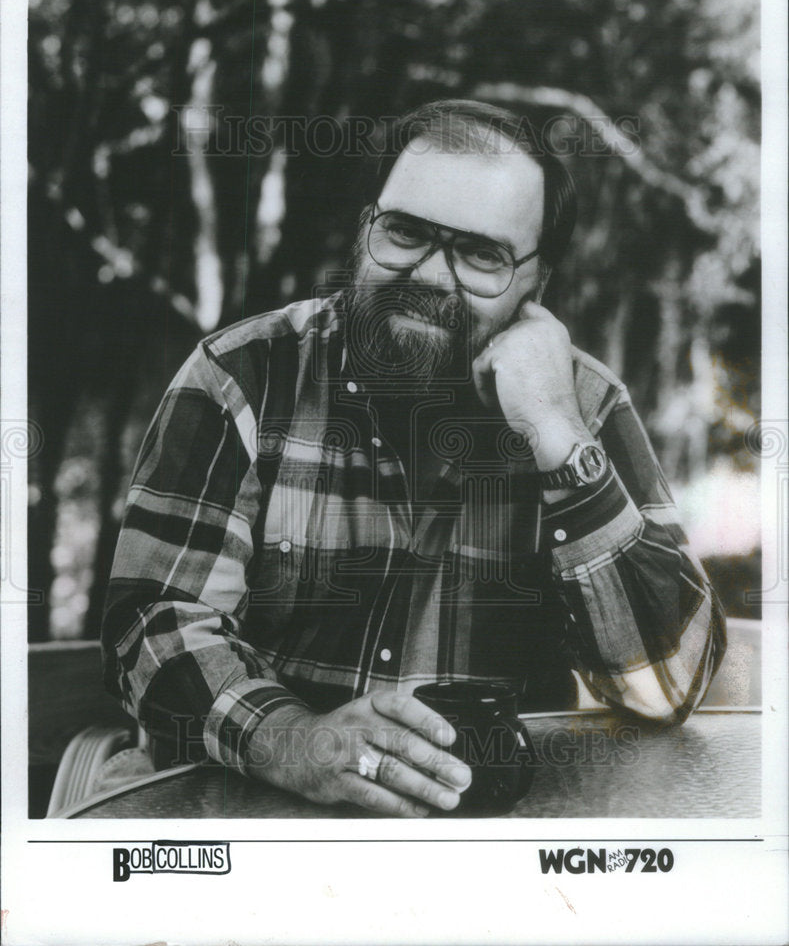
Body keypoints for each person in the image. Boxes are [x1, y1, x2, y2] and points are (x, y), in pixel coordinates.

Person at [102, 99, 727, 818]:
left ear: (536, 283)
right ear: (367, 226)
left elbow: (666, 688)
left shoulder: (582, 405)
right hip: (249, 808)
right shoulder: (242, 375)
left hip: (490, 835)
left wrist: (551, 431)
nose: (428, 275)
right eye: (404, 232)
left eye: (480, 253)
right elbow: (152, 619)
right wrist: (292, 742)